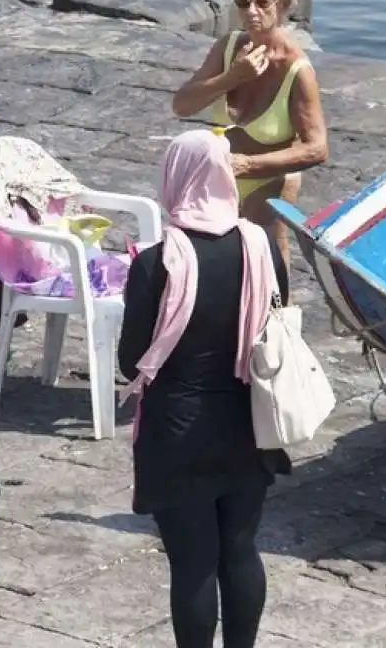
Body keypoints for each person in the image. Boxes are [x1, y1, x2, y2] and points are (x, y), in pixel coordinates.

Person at [118, 129, 291, 648]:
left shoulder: (155, 262)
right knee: (240, 550)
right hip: (247, 423)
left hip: (178, 429)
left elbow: (132, 360)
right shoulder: (262, 248)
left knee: (193, 564)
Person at [172, 0, 328, 268]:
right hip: (221, 177)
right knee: (217, 266)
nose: (252, 12)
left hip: (268, 180)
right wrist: (231, 78)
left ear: (283, 6)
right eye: (243, 3)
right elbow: (182, 106)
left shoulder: (297, 69)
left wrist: (246, 165)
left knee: (265, 262)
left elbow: (317, 148)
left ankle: (278, 313)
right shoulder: (228, 49)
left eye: (262, 2)